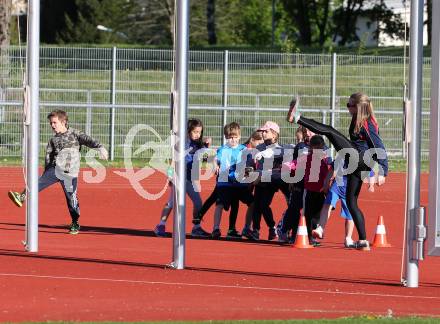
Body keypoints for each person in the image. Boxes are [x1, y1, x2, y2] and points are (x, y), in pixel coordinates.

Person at [287, 92, 388, 250]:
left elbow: (379, 146)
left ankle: (297, 118)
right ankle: (363, 241)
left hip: (359, 158)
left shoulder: (368, 123)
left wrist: (382, 171)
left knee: (329, 130)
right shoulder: (357, 120)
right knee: (352, 202)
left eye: (350, 105)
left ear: (358, 107)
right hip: (355, 163)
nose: (347, 108)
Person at [8, 109, 108, 234]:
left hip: (70, 173)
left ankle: (75, 222)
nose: (52, 125)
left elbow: (88, 140)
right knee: (36, 183)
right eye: (51, 123)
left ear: (63, 122)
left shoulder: (75, 133)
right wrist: (46, 172)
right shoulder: (52, 140)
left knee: (71, 199)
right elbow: (48, 157)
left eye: (54, 122)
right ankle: (21, 197)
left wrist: (100, 148)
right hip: (54, 170)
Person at [154, 118, 211, 238]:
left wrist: (207, 147)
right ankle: (160, 225)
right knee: (171, 203)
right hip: (178, 178)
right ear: (188, 131)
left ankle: (196, 227)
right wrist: (170, 175)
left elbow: (205, 161)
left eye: (200, 132)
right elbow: (173, 161)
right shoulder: (182, 143)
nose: (198, 134)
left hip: (190, 179)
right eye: (195, 132)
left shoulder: (199, 145)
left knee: (198, 202)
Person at [284, 135, 332, 246]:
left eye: (320, 148)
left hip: (321, 192)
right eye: (315, 148)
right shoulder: (305, 158)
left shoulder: (325, 159)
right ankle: (307, 237)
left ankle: (311, 235)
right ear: (310, 147)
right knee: (307, 214)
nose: (317, 150)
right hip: (309, 191)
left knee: (317, 215)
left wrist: (329, 183)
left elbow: (330, 171)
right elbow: (292, 165)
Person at [211, 122, 254, 239]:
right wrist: (215, 165)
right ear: (226, 138)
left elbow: (249, 165)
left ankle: (246, 228)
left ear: (239, 136)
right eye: (230, 137)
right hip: (225, 184)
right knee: (219, 204)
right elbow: (215, 158)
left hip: (240, 185)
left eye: (235, 137)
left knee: (253, 203)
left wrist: (249, 179)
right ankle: (215, 228)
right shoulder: (223, 149)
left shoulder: (244, 149)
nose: (233, 140)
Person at [251, 121, 290, 240]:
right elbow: (250, 164)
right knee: (258, 206)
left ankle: (281, 229)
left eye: (266, 131)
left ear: (274, 134)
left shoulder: (281, 148)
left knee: (264, 204)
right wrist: (250, 178)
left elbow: (282, 154)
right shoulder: (258, 148)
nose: (263, 133)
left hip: (271, 181)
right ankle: (257, 230)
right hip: (259, 181)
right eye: (262, 131)